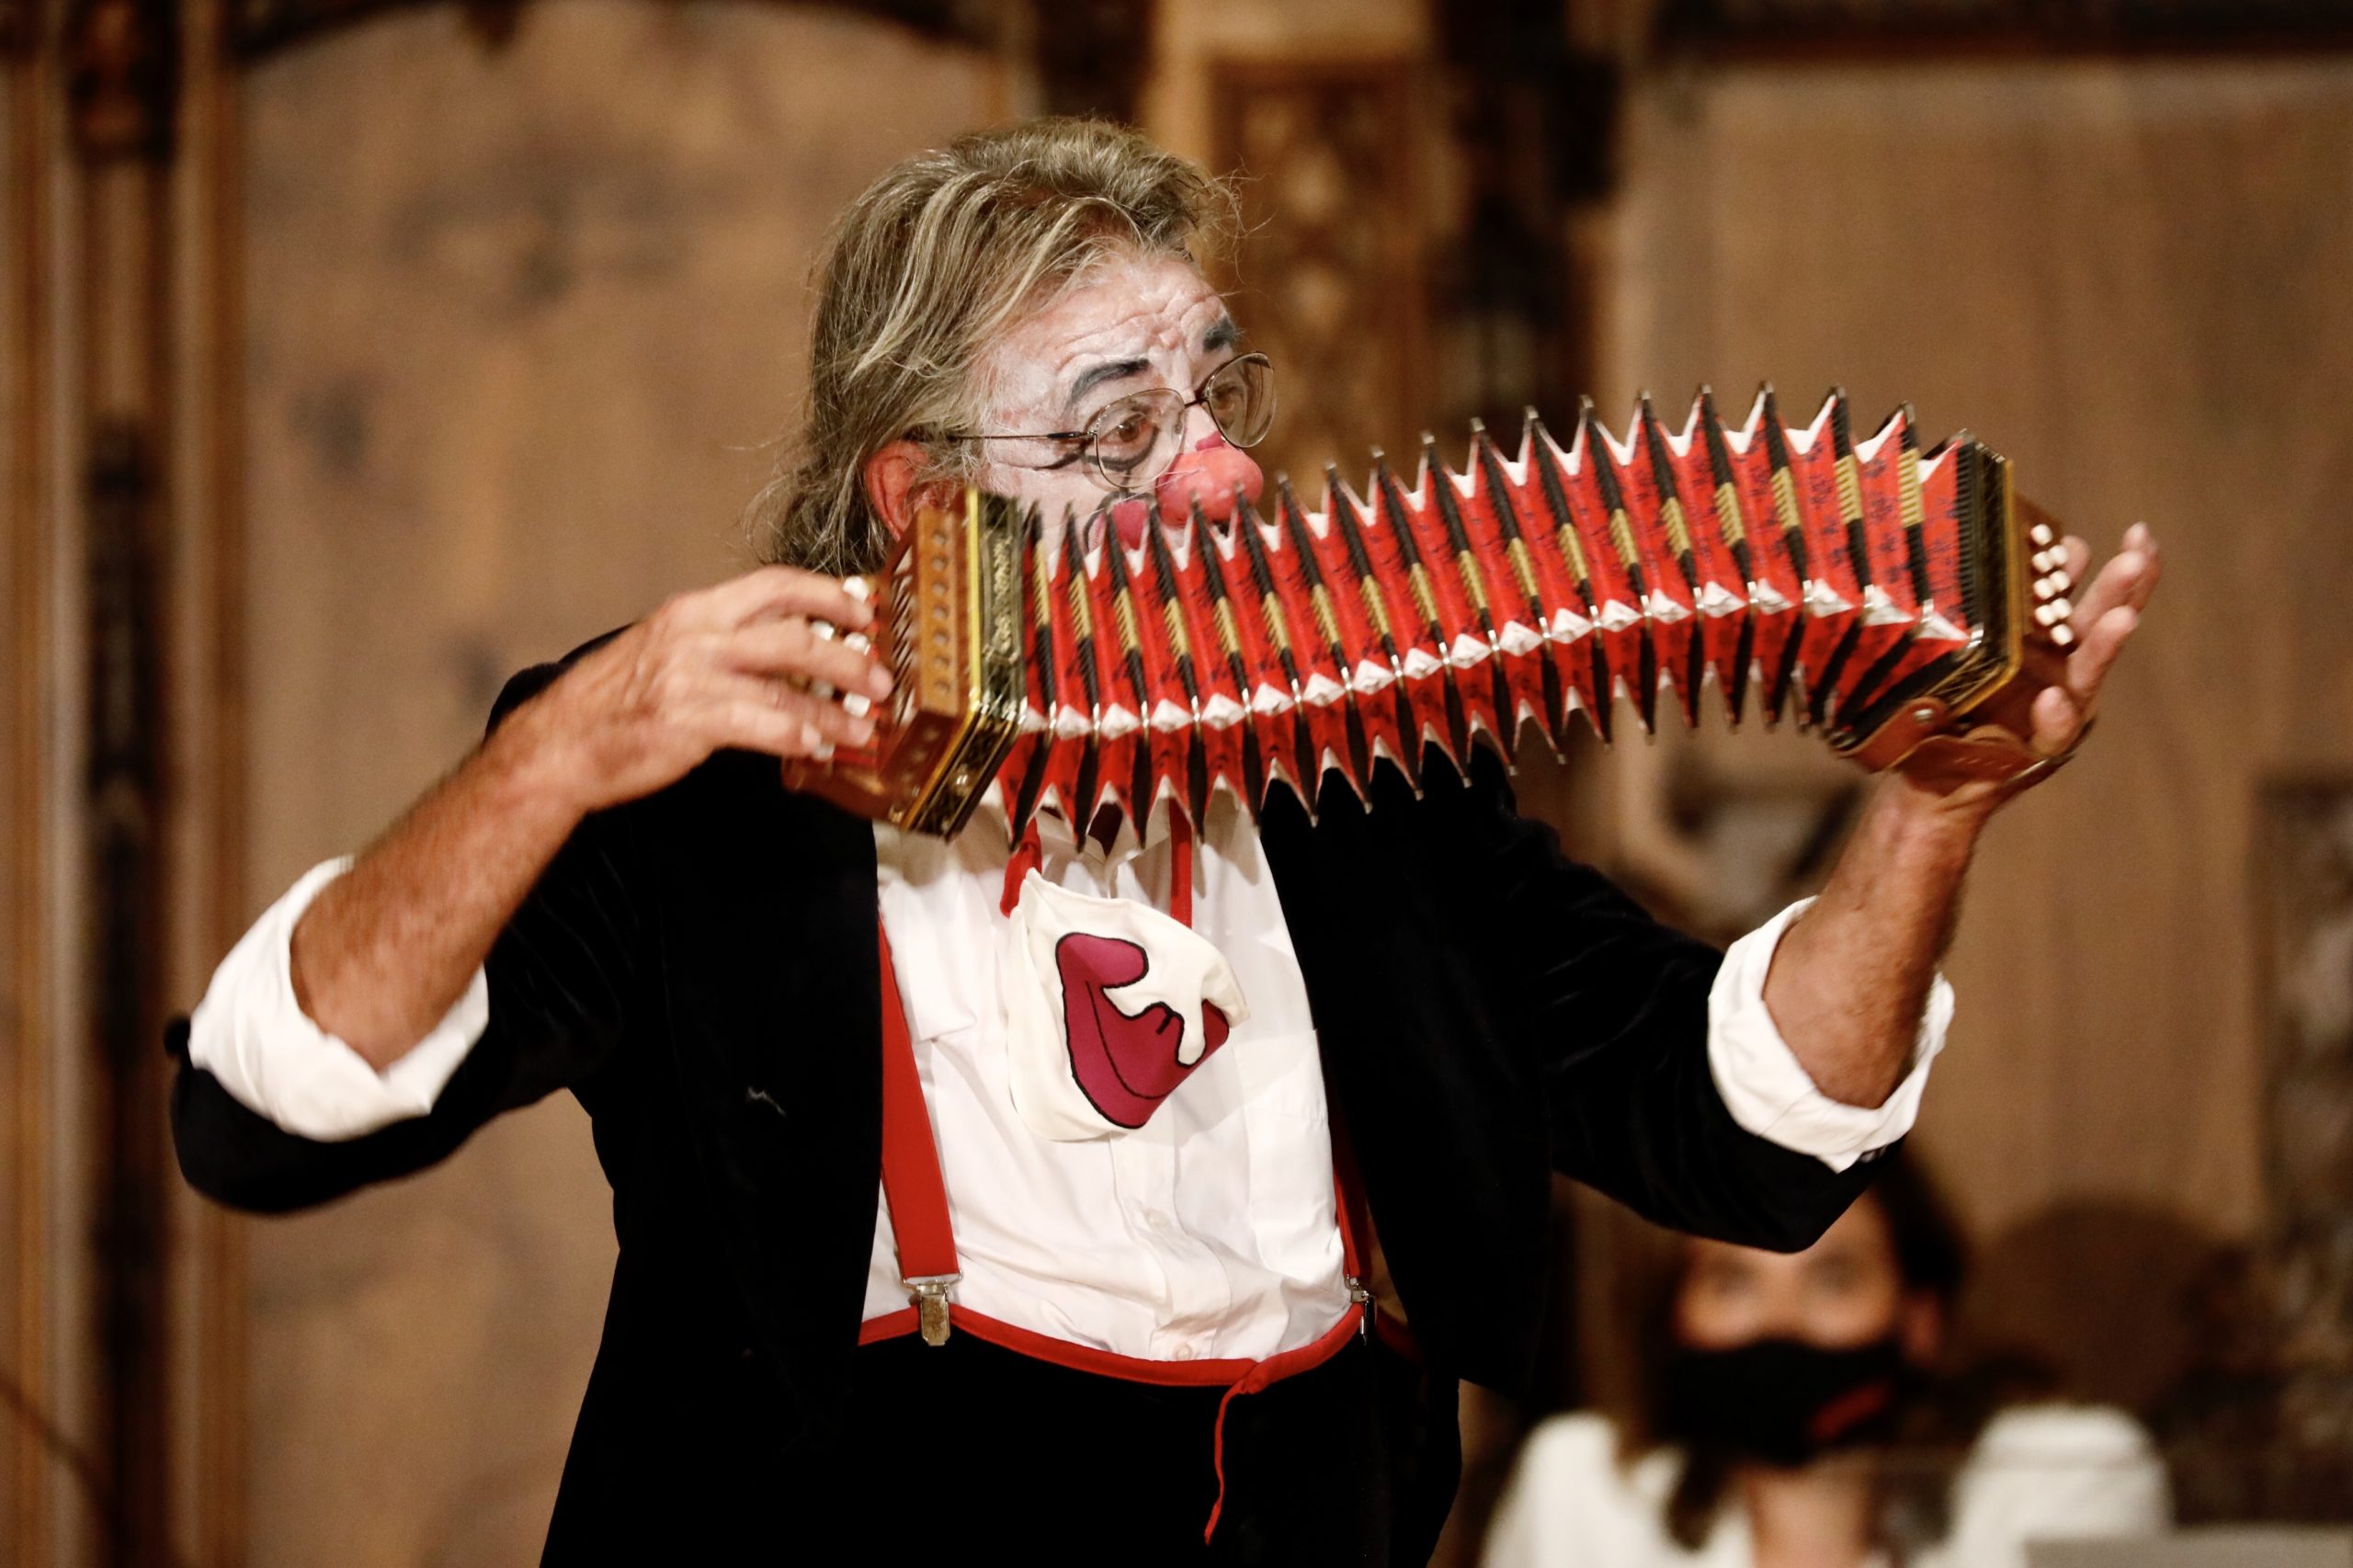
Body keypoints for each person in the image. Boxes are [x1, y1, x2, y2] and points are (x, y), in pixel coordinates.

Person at [168, 119, 2161, 1562]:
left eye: (1217, 395)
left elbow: (1746, 1132)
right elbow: (268, 1110)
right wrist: (549, 758)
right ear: (916, 499)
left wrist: (1933, 806)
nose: (1215, 475)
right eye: (1116, 425)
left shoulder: (1374, 788)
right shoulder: (709, 793)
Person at [1482, 1154, 2172, 1568]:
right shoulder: (1583, 1489)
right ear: (1676, 1320)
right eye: (1732, 1283)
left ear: (1919, 1322)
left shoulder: (2067, 1479)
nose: (1780, 1324)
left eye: (1833, 1280)